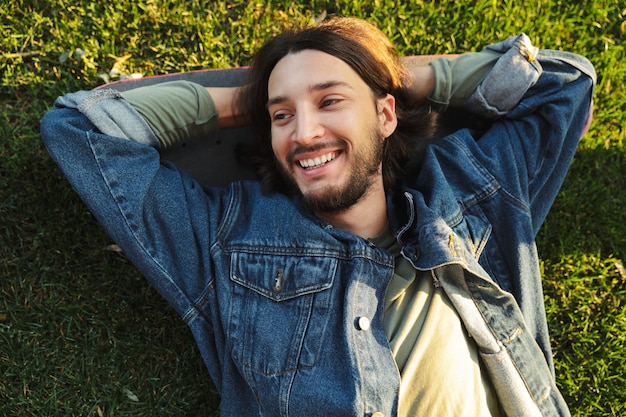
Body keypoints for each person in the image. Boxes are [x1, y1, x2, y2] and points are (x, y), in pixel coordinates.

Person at [40, 17, 595, 417]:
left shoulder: (471, 192)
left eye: (330, 102)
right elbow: (82, 132)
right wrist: (242, 102)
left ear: (384, 115)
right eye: (282, 115)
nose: (303, 132)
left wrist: (394, 77)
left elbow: (562, 85)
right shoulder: (227, 242)